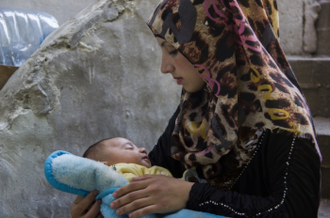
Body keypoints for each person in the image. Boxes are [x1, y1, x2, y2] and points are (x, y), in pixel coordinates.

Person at [71, 0, 322, 218]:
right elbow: (157, 172)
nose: (164, 67)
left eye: (172, 50)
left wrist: (193, 194)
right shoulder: (198, 105)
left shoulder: (284, 118)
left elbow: (294, 211)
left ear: (218, 42)